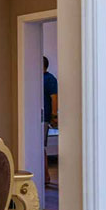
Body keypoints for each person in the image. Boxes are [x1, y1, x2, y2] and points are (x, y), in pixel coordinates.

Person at [43, 56, 58, 184]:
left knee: (41, 146)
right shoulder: (36, 78)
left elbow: (54, 98)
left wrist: (54, 116)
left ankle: (45, 175)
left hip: (44, 118)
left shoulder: (50, 79)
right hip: (38, 117)